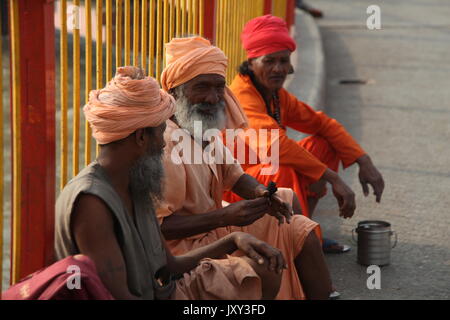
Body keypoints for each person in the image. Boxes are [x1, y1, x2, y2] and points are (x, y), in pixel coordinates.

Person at [4, 66, 287, 300]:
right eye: (161, 134)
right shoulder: (92, 202)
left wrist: (234, 239)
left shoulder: (135, 183)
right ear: (141, 137)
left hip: (166, 289)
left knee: (261, 270)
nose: (164, 145)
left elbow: (168, 265)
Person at [157, 36, 334, 300]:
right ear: (174, 92)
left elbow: (236, 177)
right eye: (201, 87)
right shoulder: (163, 145)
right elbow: (159, 228)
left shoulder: (201, 128)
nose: (213, 97)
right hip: (183, 252)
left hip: (215, 229)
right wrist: (224, 218)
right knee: (267, 259)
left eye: (219, 88)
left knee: (299, 227)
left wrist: (263, 194)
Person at [225, 15, 385, 253]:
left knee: (325, 146)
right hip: (235, 191)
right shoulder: (242, 95)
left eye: (284, 61)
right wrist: (332, 177)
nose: (278, 69)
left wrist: (364, 161)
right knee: (282, 168)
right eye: (269, 61)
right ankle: (306, 244)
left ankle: (306, 234)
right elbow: (275, 147)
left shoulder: (276, 94)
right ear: (251, 63)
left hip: (261, 179)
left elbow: (323, 124)